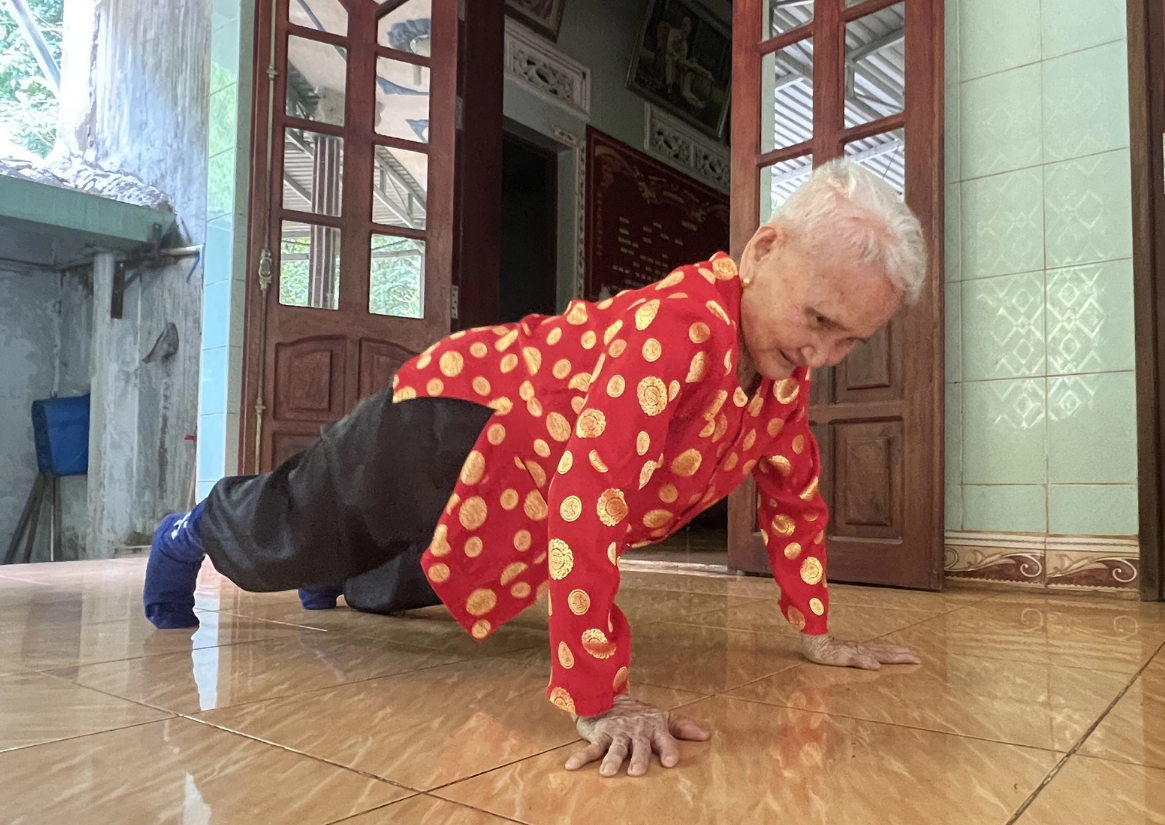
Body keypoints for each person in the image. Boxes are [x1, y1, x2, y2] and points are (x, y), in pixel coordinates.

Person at [142, 158, 927, 778]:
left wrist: (817, 630)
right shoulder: (682, 328)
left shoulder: (781, 382)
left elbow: (795, 498)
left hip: (518, 477)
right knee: (294, 528)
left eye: (849, 340)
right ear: (763, 250)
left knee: (417, 581)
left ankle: (340, 576)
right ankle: (189, 532)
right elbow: (590, 498)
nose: (821, 353)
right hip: (451, 417)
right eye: (818, 319)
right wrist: (600, 697)